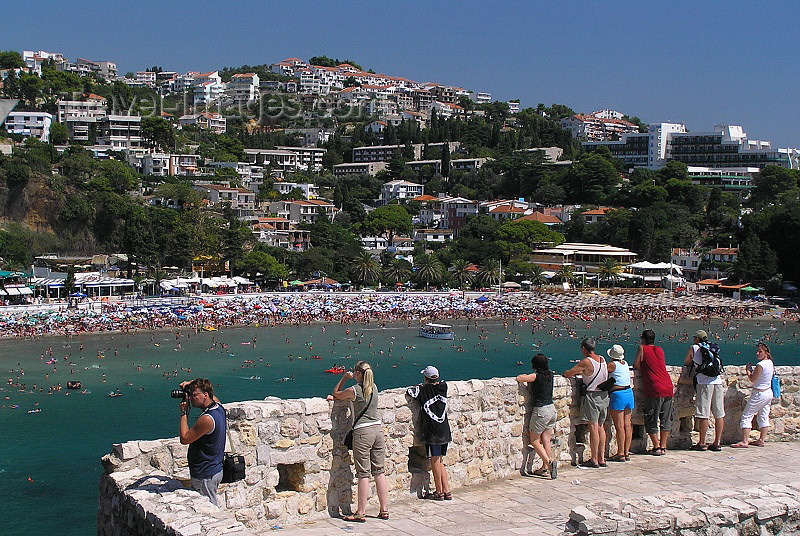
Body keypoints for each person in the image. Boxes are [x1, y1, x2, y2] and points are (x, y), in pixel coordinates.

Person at [332, 361, 389, 522]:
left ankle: (360, 512)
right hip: (377, 430)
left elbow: (336, 393)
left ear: (357, 373)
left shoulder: (354, 390)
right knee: (379, 471)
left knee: (363, 474)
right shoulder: (375, 388)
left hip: (363, 432)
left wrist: (344, 378)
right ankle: (384, 510)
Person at [564, 338, 615, 468]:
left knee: (593, 427)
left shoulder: (586, 362)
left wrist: (566, 373)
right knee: (600, 426)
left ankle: (594, 459)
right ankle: (602, 458)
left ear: (583, 349)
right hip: (604, 396)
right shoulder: (603, 359)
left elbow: (570, 373)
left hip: (593, 395)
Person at [406, 365, 454, 497]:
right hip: (444, 430)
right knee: (440, 461)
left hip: (432, 432)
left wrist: (422, 385)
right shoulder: (443, 387)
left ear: (425, 378)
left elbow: (410, 391)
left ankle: (438, 492)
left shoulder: (423, 390)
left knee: (434, 460)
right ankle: (446, 490)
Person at [178, 378, 226, 506]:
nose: (191, 398)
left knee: (208, 508)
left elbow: (185, 438)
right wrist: (192, 384)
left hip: (205, 473)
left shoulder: (207, 419)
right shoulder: (219, 407)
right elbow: (212, 395)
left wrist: (184, 412)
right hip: (214, 469)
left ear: (205, 395)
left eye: (194, 395)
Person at [515, 353, 558, 479]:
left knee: (534, 440)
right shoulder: (550, 375)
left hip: (541, 410)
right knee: (546, 440)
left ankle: (549, 464)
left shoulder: (536, 376)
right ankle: (545, 467)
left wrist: (524, 375)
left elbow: (520, 378)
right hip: (551, 409)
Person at [634, 329, 674, 456]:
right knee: (665, 418)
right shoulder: (660, 350)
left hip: (654, 387)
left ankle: (656, 446)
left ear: (643, 339)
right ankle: (663, 445)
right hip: (668, 386)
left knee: (651, 416)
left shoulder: (642, 348)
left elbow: (637, 365)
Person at [684, 329, 724, 451]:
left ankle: (701, 442)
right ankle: (717, 442)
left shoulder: (694, 348)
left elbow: (686, 362)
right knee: (719, 414)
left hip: (704, 382)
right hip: (717, 381)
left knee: (704, 414)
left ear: (697, 338)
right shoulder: (712, 347)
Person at [732, 342, 774, 448]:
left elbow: (752, 379)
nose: (757, 353)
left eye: (760, 351)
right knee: (763, 416)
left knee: (747, 415)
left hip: (759, 393)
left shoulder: (761, 365)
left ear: (766, 353)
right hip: (768, 392)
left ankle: (745, 441)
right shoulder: (770, 363)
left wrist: (748, 371)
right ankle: (761, 440)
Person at [606, 344, 634, 462]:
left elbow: (601, 371)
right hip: (629, 393)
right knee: (628, 425)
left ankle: (620, 453)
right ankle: (626, 452)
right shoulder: (625, 363)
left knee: (619, 426)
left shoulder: (612, 365)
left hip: (618, 394)